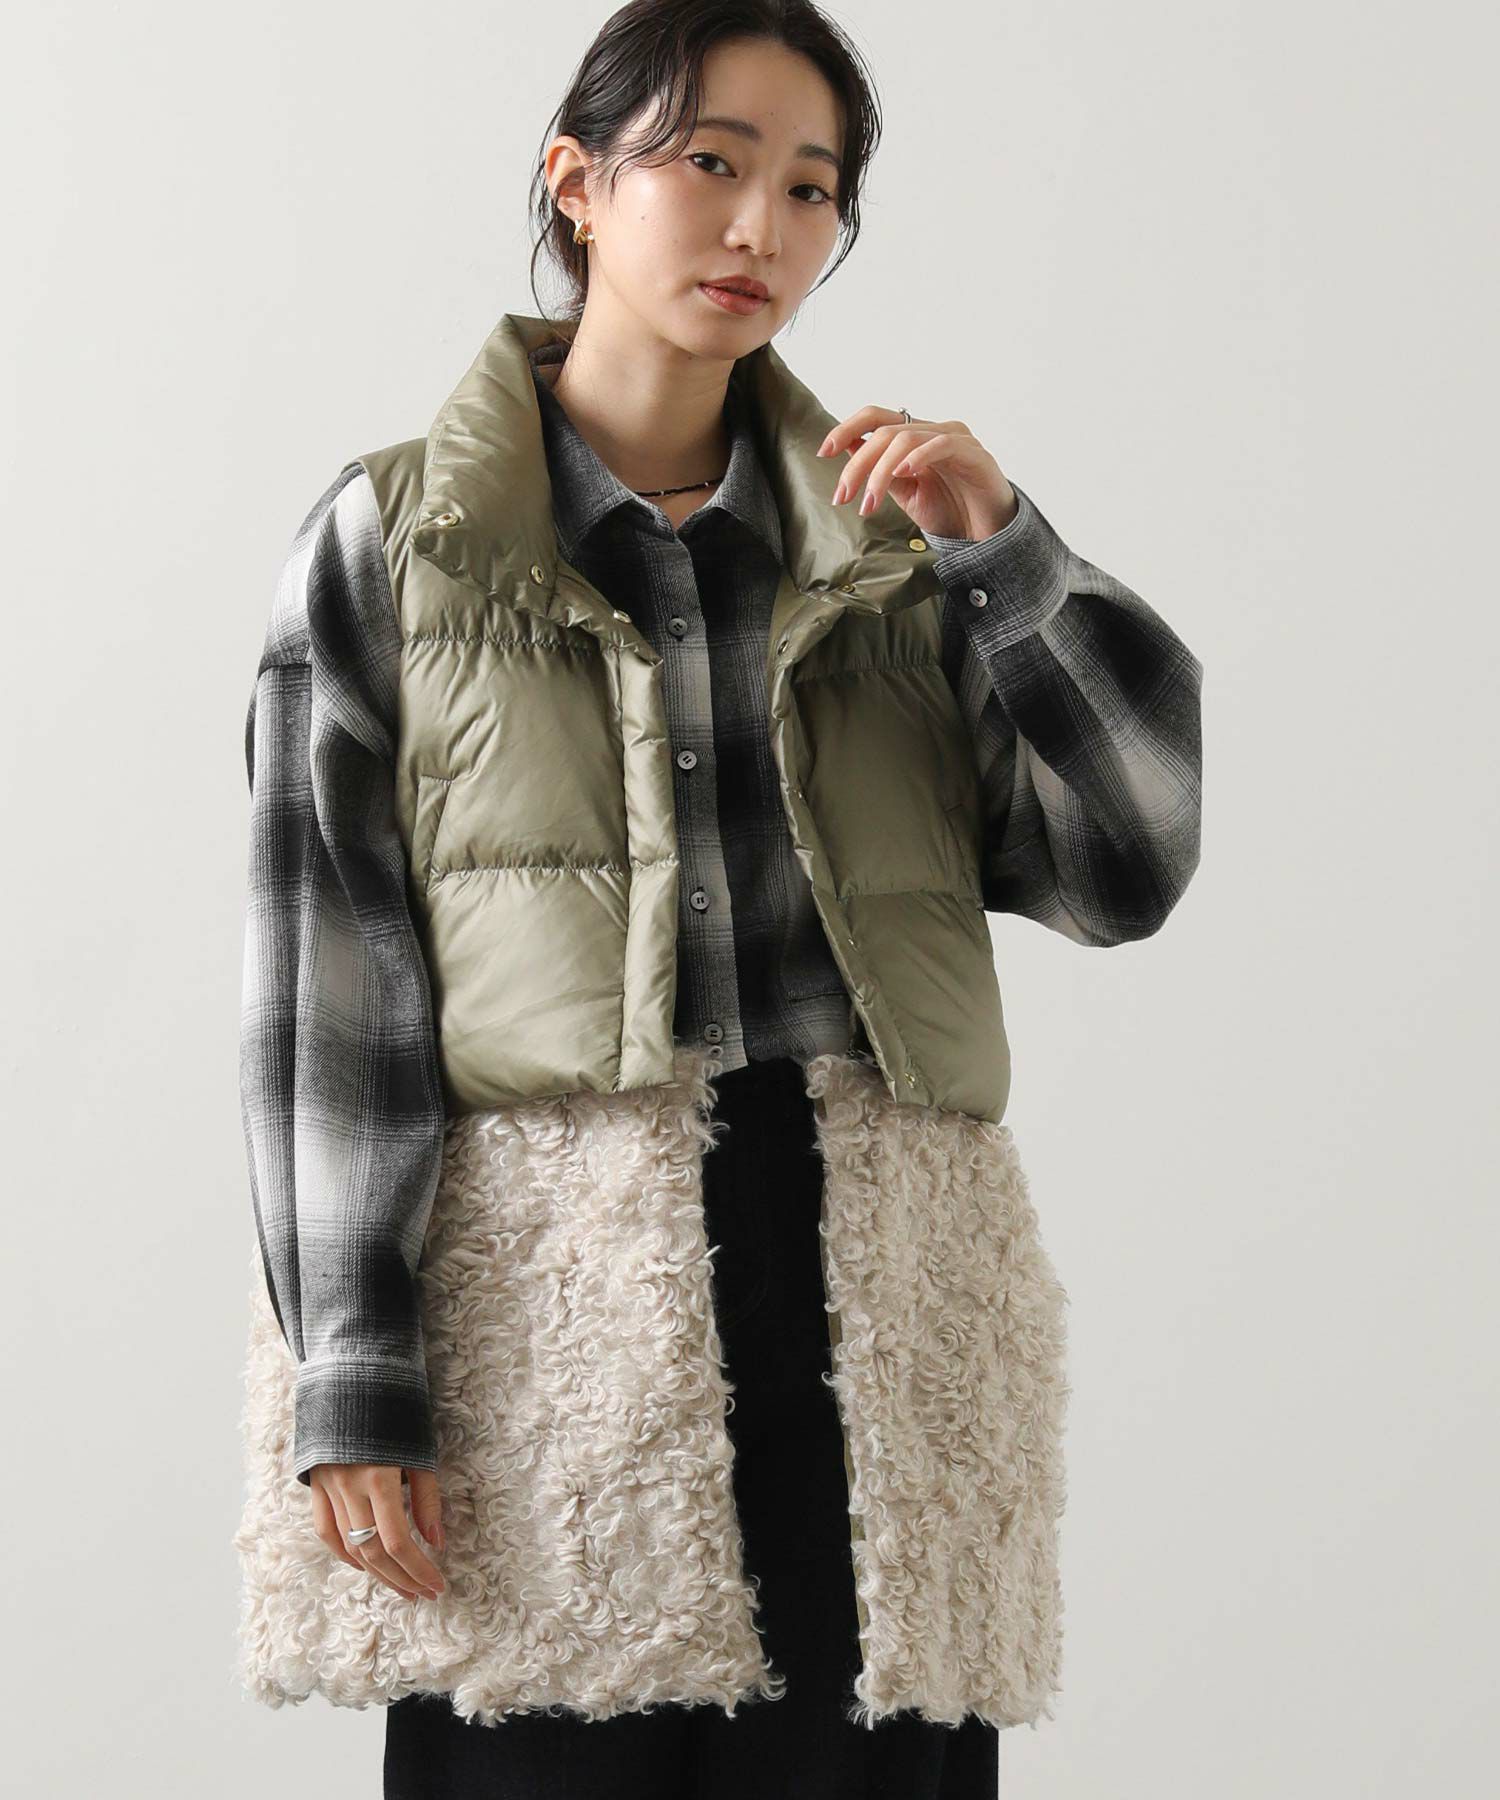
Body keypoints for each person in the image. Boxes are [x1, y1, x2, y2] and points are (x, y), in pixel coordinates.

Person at [233, 3, 1205, 1795]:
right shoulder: (395, 544)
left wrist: (1009, 557)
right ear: (577, 182)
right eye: (709, 161)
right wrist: (352, 1366)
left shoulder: (907, 553)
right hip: (549, 1316)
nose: (762, 225)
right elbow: (328, 979)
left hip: (873, 1312)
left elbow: (1128, 863)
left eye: (813, 187)